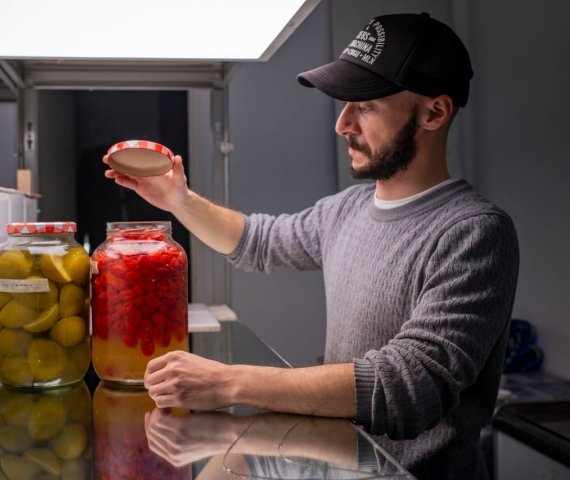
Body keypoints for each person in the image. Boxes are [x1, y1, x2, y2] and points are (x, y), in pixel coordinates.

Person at [104, 12, 519, 480]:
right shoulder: (347, 209)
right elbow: (257, 241)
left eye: (366, 106)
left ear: (434, 112)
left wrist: (228, 382)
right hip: (343, 467)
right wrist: (178, 199)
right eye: (345, 104)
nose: (343, 124)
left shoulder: (474, 232)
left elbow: (407, 387)